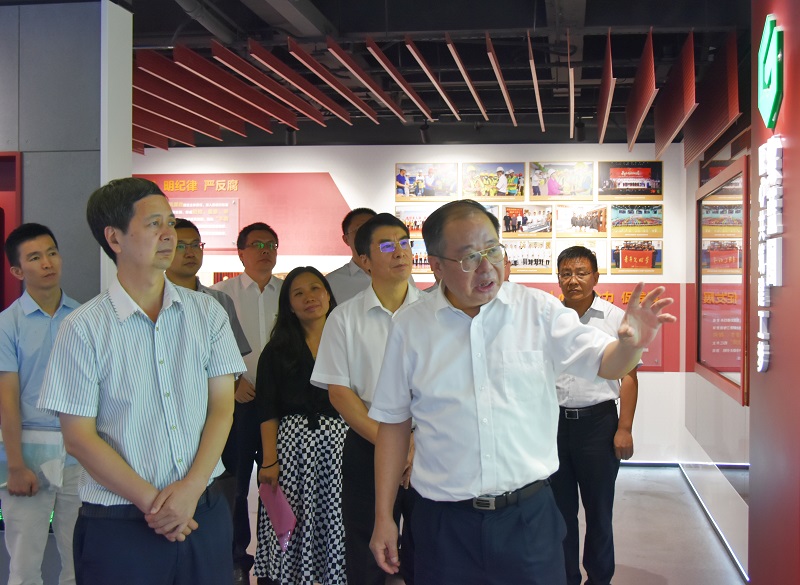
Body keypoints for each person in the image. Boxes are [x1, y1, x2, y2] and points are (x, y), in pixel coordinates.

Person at [367, 199, 674, 584]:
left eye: (493, 250)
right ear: (436, 265)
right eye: (469, 257)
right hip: (443, 524)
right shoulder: (410, 327)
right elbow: (394, 424)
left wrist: (632, 344)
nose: (486, 267)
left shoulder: (538, 311)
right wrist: (383, 517)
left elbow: (608, 364)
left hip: (528, 519)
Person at [37, 177, 245, 585]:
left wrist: (189, 492)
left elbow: (222, 409)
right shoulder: (83, 328)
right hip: (119, 525)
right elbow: (79, 438)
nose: (169, 234)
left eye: (170, 222)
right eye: (153, 224)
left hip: (203, 512)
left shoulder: (208, 314)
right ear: (114, 238)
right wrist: (159, 505)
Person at [312, 213, 421, 585]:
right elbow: (340, 393)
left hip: (428, 444)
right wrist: (392, 445)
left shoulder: (437, 312)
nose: (400, 252)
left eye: (404, 242)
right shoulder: (344, 318)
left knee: (428, 542)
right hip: (368, 441)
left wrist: (413, 444)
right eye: (387, 245)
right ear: (363, 260)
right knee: (366, 545)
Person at [550, 246, 639, 585]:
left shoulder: (615, 318)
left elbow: (629, 376)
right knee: (559, 512)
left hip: (599, 426)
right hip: (554, 426)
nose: (573, 280)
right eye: (566, 274)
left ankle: (600, 578)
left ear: (596, 277)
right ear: (558, 278)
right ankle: (566, 577)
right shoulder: (549, 318)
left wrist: (624, 428)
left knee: (599, 511)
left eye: (581, 273)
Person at [253, 267, 347, 585]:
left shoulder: (347, 341)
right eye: (299, 293)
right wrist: (269, 461)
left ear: (328, 295)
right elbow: (267, 409)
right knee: (294, 520)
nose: (309, 297)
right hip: (293, 451)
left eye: (315, 289)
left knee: (335, 519)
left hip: (340, 448)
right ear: (289, 306)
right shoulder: (277, 350)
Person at [0, 223, 81, 585]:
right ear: (17, 271)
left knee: (80, 559)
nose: (47, 263)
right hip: (28, 452)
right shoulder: (7, 324)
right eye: (35, 257)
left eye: (52, 253)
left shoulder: (83, 318)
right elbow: (7, 400)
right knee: (25, 564)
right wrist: (15, 465)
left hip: (81, 451)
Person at [212, 222, 284, 585]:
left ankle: (280, 558)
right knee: (236, 486)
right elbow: (213, 350)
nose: (265, 250)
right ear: (240, 252)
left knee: (277, 485)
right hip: (238, 404)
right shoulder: (219, 295)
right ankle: (237, 559)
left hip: (280, 407)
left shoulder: (287, 292)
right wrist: (234, 382)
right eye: (257, 244)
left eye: (271, 244)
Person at [165, 217, 252, 514]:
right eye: (181, 246)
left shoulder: (219, 302)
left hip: (216, 412)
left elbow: (233, 363)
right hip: (172, 412)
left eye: (195, 245)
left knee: (224, 494)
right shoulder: (152, 301)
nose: (191, 252)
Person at [325, 208, 377, 303]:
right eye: (359, 230)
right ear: (346, 240)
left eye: (372, 229)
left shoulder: (399, 274)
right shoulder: (331, 283)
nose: (367, 235)